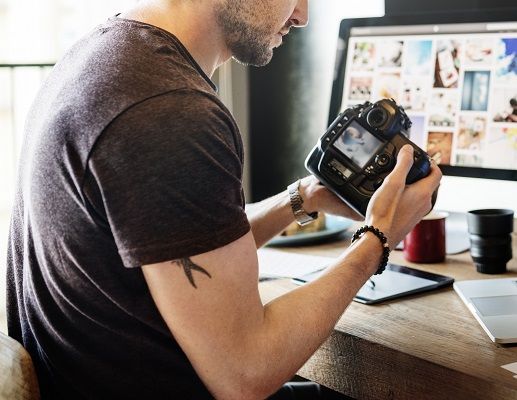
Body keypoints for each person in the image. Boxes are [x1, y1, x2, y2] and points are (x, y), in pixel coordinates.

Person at [6, 0, 442, 398]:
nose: (302, 16)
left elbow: (183, 250)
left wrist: (303, 197)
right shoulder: (171, 111)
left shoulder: (106, 56)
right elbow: (247, 372)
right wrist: (377, 237)